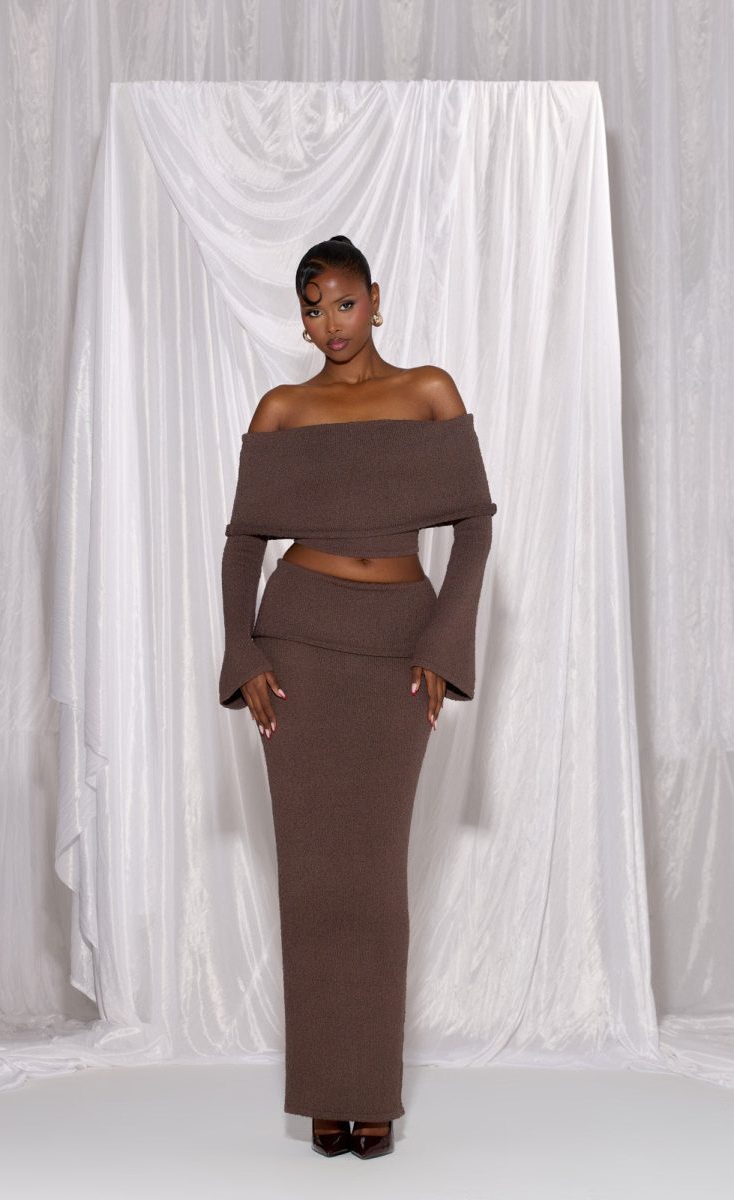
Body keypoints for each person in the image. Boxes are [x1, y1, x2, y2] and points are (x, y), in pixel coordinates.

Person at [219, 235, 496, 1158]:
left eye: (343, 302)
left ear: (376, 298)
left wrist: (442, 645)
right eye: (312, 309)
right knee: (311, 881)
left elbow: (474, 529)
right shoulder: (283, 409)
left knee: (374, 881)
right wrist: (242, 653)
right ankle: (323, 1100)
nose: (329, 323)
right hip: (296, 652)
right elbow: (243, 545)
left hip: (395, 655)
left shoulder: (429, 392)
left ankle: (370, 1091)